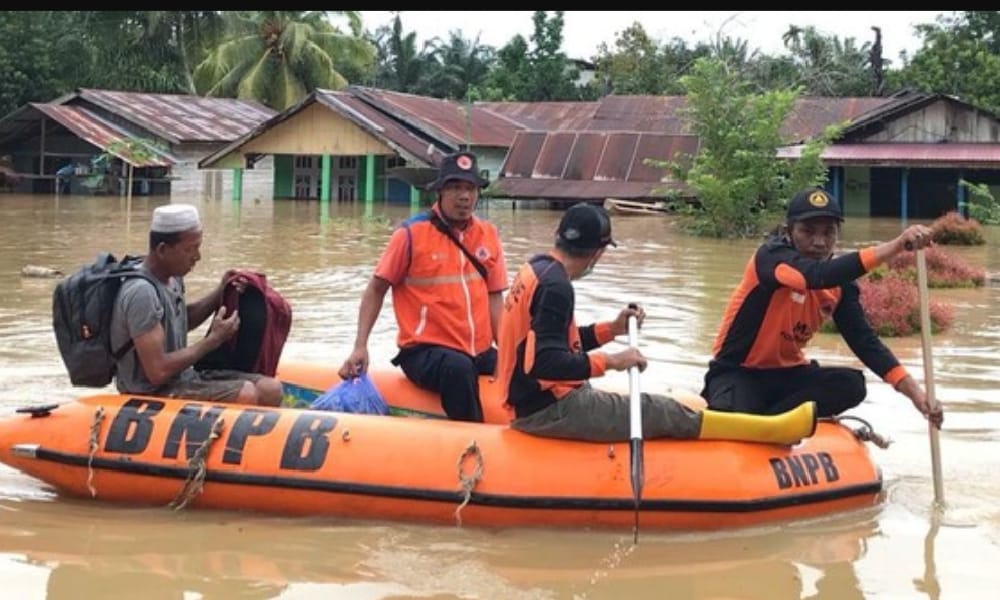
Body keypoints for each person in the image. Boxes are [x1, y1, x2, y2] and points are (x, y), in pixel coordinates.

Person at [495, 202, 816, 444]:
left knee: (658, 403)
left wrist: (612, 330)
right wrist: (613, 361)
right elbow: (545, 362)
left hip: (534, 400)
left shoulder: (537, 269)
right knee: (658, 410)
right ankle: (770, 431)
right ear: (598, 253)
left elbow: (553, 342)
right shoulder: (557, 287)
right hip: (548, 410)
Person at [701, 186, 944, 428]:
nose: (819, 242)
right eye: (807, 231)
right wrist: (898, 244)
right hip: (739, 372)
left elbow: (865, 342)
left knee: (851, 385)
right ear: (789, 232)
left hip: (789, 377)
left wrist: (916, 395)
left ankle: (771, 424)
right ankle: (760, 423)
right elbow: (815, 277)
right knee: (731, 415)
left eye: (829, 233)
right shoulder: (771, 258)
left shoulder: (840, 286)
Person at [338, 151, 507, 422]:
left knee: (524, 367)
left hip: (478, 350)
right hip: (425, 352)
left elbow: (495, 298)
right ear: (439, 192)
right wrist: (360, 346)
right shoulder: (411, 234)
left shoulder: (488, 234)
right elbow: (376, 289)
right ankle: (473, 441)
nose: (464, 196)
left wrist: (508, 352)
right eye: (454, 187)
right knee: (458, 368)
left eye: (470, 188)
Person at [109, 203, 283, 406]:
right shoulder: (141, 292)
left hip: (182, 378)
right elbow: (158, 372)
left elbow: (182, 320)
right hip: (151, 390)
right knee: (246, 394)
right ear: (163, 250)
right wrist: (213, 340)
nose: (197, 257)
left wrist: (221, 291)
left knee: (271, 389)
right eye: (190, 249)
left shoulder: (173, 277)